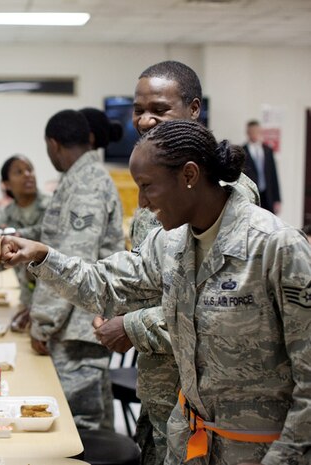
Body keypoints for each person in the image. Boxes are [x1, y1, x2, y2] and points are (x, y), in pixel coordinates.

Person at [3, 119, 311, 465]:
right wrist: (42, 256)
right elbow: (104, 283)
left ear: (189, 176)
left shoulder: (274, 248)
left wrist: (286, 457)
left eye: (148, 186)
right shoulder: (171, 244)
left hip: (259, 453)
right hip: (189, 448)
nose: (142, 202)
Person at [98, 60, 261, 465]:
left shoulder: (225, 192)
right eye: (138, 110)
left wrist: (132, 327)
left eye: (159, 108)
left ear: (193, 110)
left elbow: (217, 310)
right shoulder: (156, 180)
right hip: (158, 388)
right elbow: (156, 277)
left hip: (205, 410)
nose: (145, 119)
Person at [30, 109, 124, 430]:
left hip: (79, 326)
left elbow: (72, 261)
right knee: (96, 421)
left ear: (53, 144)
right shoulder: (84, 178)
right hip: (84, 322)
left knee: (78, 428)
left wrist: (43, 323)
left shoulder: (86, 185)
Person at [0, 154, 50, 331]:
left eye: (30, 169)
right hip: (27, 301)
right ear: (6, 184)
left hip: (55, 300)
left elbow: (52, 237)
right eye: (19, 172)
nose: (28, 175)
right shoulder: (4, 215)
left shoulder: (53, 206)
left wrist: (17, 236)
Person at [243, 120, 281, 214]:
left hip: (266, 194)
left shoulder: (267, 150)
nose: (254, 134)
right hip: (251, 195)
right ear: (248, 133)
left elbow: (273, 174)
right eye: (252, 131)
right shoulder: (243, 151)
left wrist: (277, 198)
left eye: (257, 131)